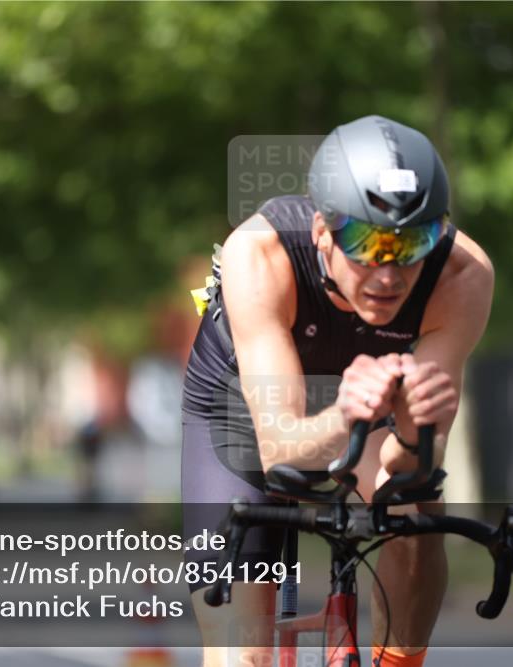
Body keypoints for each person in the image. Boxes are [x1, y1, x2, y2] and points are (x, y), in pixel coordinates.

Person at [181, 115, 494, 667]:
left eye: (412, 242)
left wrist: (418, 428)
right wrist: (347, 412)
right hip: (244, 413)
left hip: (369, 403)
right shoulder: (257, 254)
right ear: (323, 231)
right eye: (365, 241)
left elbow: (412, 459)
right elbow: (280, 449)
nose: (389, 272)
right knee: (241, 655)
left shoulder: (461, 277)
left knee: (414, 505)